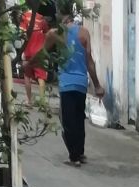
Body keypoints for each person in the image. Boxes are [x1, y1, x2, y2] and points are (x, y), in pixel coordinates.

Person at [49, 4, 103, 165]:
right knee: (79, 118)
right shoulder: (84, 32)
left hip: (66, 84)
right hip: (81, 84)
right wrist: (97, 85)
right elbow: (90, 62)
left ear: (60, 14)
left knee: (68, 121)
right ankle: (80, 153)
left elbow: (43, 52)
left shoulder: (56, 33)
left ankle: (74, 157)